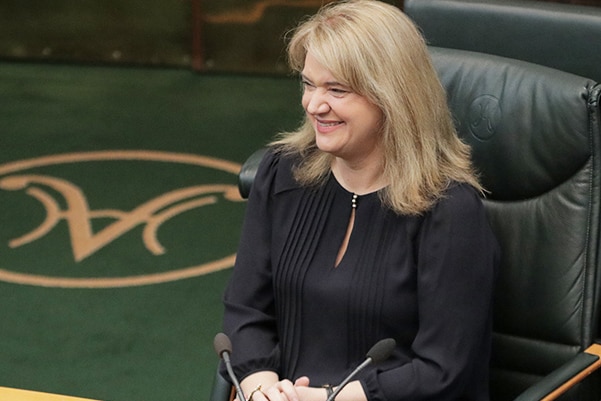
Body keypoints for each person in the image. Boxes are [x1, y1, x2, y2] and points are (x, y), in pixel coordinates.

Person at [220, 0, 499, 400]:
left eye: (337, 90)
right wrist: (262, 389)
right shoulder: (283, 172)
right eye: (308, 83)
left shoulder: (449, 210)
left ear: (393, 98)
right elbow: (246, 311)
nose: (314, 105)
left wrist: (327, 398)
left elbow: (444, 370)